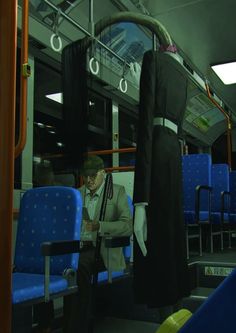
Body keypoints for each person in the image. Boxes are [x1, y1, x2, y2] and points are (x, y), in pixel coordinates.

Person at [132, 49, 190, 313]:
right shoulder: (184, 77)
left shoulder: (152, 59)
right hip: (172, 153)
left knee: (155, 235)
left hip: (155, 150)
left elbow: (146, 126)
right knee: (171, 232)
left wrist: (140, 202)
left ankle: (165, 313)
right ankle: (176, 306)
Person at [63, 154, 133, 333]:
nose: (89, 180)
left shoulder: (117, 192)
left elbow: (127, 226)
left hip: (102, 249)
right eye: (85, 176)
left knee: (79, 266)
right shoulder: (77, 194)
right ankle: (48, 324)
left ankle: (77, 327)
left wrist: (100, 226)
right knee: (56, 262)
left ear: (103, 173)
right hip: (78, 247)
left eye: (93, 175)